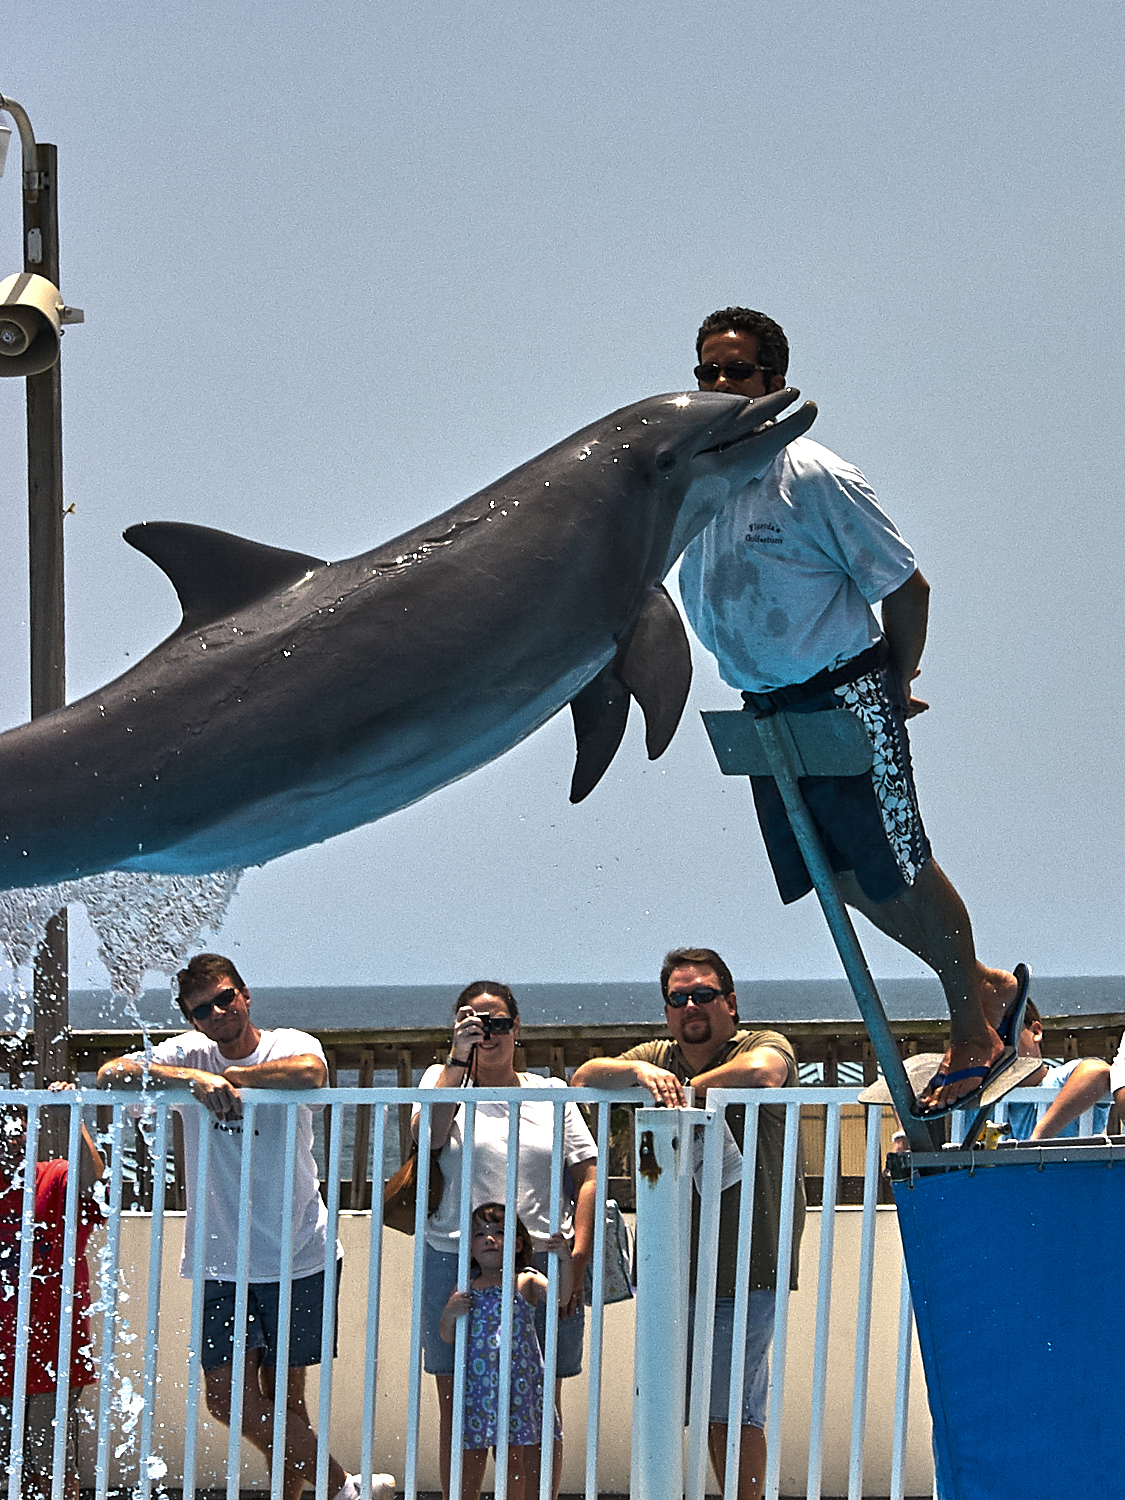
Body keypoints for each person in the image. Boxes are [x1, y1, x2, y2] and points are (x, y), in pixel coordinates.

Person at [679, 306, 1024, 1113]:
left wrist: (896, 682)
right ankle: (986, 985)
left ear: (774, 383)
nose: (718, 384)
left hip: (845, 688)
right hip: (762, 703)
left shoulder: (814, 475)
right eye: (706, 372)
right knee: (833, 874)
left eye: (735, 370)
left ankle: (972, 1030)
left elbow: (906, 587)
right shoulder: (695, 482)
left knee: (894, 862)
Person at [97, 953, 373, 1500]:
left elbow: (311, 1074)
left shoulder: (291, 1043)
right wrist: (192, 1078)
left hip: (301, 1252)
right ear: (190, 1017)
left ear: (246, 995)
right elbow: (111, 1075)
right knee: (226, 1400)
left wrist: (232, 1077)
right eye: (203, 1008)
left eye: (226, 997)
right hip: (222, 1258)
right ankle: (345, 1486)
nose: (218, 1012)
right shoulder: (188, 1053)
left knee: (287, 1402)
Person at [570, 947, 805, 1500]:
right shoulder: (660, 1058)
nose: (691, 1006)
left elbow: (766, 1074)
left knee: (729, 1411)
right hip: (669, 1269)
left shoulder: (758, 1044)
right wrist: (636, 1070)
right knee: (669, 1405)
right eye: (678, 998)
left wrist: (690, 1094)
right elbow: (584, 1076)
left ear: (730, 1002)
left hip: (745, 1264)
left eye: (703, 994)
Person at [413, 981, 597, 1500]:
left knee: (538, 1405)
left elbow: (587, 1173)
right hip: (454, 1260)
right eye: (473, 1021)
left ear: (516, 1028)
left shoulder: (551, 1094)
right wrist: (456, 1058)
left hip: (536, 1263)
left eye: (496, 1022)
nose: (486, 1032)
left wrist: (578, 1258)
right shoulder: (441, 1080)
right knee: (459, 1401)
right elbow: (426, 1136)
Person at [0, 1083, 103, 1500]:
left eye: (14, 1124)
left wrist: (72, 1116)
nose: (8, 1135)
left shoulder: (55, 1176)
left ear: (27, 1131)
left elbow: (93, 1181)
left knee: (54, 1470)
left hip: (50, 1358)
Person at [439, 1204, 572, 1500]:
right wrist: (450, 1312)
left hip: (517, 1390)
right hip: (477, 1392)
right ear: (470, 1247)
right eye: (480, 1234)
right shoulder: (466, 1287)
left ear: (518, 1243)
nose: (489, 1239)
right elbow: (446, 1335)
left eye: (499, 1232)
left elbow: (561, 1298)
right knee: (470, 1461)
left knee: (513, 1461)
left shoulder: (526, 1281)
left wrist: (564, 1259)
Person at [995, 1001, 1111, 1141]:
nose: (997, 1045)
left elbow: (1098, 1072)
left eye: (1004, 1032)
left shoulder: (1059, 1081)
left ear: (1036, 1032)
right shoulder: (978, 1098)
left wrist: (1038, 1138)